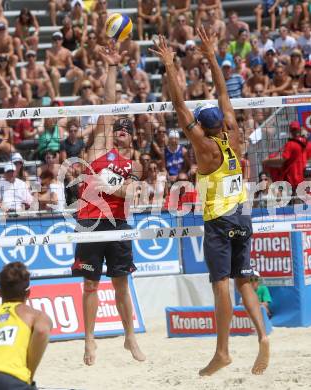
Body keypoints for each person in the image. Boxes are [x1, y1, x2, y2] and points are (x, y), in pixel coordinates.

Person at [150, 29, 269, 376]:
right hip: (244, 217)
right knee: (244, 280)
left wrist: (171, 65)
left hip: (219, 222)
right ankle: (262, 336)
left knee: (221, 287)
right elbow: (222, 92)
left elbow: (177, 104)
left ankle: (223, 351)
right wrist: (213, 56)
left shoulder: (204, 149)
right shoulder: (233, 131)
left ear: (202, 128)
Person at [70, 41, 145, 366]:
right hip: (90, 222)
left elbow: (133, 194)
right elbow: (109, 104)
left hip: (118, 225)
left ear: (134, 137)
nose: (121, 131)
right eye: (119, 128)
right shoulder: (101, 149)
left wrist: (112, 189)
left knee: (121, 285)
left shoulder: (137, 165)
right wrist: (113, 66)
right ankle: (89, 341)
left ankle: (130, 337)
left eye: (127, 129)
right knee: (90, 286)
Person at [0, 262, 52, 390]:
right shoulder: (34, 315)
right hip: (11, 378)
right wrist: (29, 374)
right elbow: (42, 331)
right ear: (28, 293)